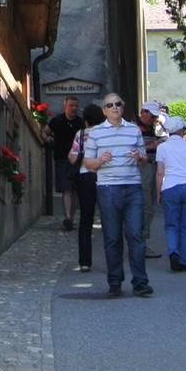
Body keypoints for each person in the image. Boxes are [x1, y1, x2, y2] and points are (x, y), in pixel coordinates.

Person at [81, 93, 153, 297]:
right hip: (108, 188)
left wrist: (139, 157)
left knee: (135, 235)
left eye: (118, 104)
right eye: (110, 105)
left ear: (123, 107)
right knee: (112, 237)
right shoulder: (96, 133)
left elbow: (144, 158)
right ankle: (114, 281)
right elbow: (88, 163)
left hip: (132, 187)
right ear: (104, 111)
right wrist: (100, 161)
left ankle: (140, 282)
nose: (114, 107)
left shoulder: (133, 130)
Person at [155, 114, 186, 271]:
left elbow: (160, 172)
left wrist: (158, 192)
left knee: (171, 225)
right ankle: (183, 261)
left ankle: (173, 251)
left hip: (170, 187)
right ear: (182, 130)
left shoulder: (162, 148)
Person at [67, 105, 105, 273]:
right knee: (109, 218)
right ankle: (113, 259)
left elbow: (72, 158)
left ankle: (85, 261)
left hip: (85, 176)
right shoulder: (106, 133)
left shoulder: (81, 134)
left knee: (86, 219)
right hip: (104, 177)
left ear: (86, 119)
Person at [46, 98, 84, 231]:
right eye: (71, 105)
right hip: (62, 159)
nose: (74, 108)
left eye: (76, 105)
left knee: (75, 190)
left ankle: (71, 218)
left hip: (78, 160)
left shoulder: (81, 122)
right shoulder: (57, 121)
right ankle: (67, 217)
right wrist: (48, 139)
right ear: (65, 106)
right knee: (67, 188)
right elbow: (45, 132)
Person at [137, 101, 165, 258]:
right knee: (145, 207)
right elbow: (132, 150)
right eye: (152, 116)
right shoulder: (135, 129)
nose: (154, 119)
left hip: (150, 169)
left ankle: (140, 243)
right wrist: (154, 145)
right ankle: (141, 245)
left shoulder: (149, 128)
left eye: (155, 117)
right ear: (144, 112)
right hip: (143, 169)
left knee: (148, 207)